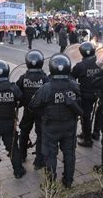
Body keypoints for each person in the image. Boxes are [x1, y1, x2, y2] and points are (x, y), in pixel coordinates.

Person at [29, 54, 81, 188]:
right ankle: (68, 181)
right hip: (69, 125)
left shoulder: (46, 88)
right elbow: (80, 103)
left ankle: (50, 185)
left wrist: (43, 114)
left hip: (50, 127)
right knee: (69, 153)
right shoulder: (74, 86)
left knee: (50, 155)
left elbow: (33, 105)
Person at [16, 50, 50, 169]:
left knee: (24, 131)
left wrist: (21, 102)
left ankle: (21, 155)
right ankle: (39, 160)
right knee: (41, 134)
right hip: (42, 111)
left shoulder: (23, 78)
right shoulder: (45, 78)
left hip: (28, 110)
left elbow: (17, 93)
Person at [72, 42, 101, 147]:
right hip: (97, 93)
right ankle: (92, 133)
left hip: (85, 94)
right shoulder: (99, 63)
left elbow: (71, 78)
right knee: (96, 113)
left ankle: (88, 139)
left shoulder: (80, 66)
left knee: (85, 117)